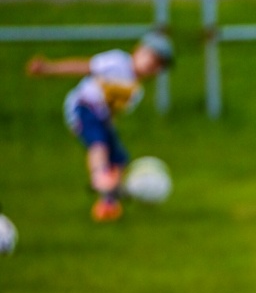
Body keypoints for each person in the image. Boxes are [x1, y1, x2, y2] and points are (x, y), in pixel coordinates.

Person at [26, 32, 174, 222]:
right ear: (137, 51)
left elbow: (112, 112)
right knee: (99, 145)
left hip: (101, 118)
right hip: (84, 106)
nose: (151, 66)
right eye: (150, 57)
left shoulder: (136, 91)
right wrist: (48, 68)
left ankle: (108, 203)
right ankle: (99, 177)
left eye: (157, 65)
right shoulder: (117, 62)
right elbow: (83, 67)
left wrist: (109, 127)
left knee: (119, 159)